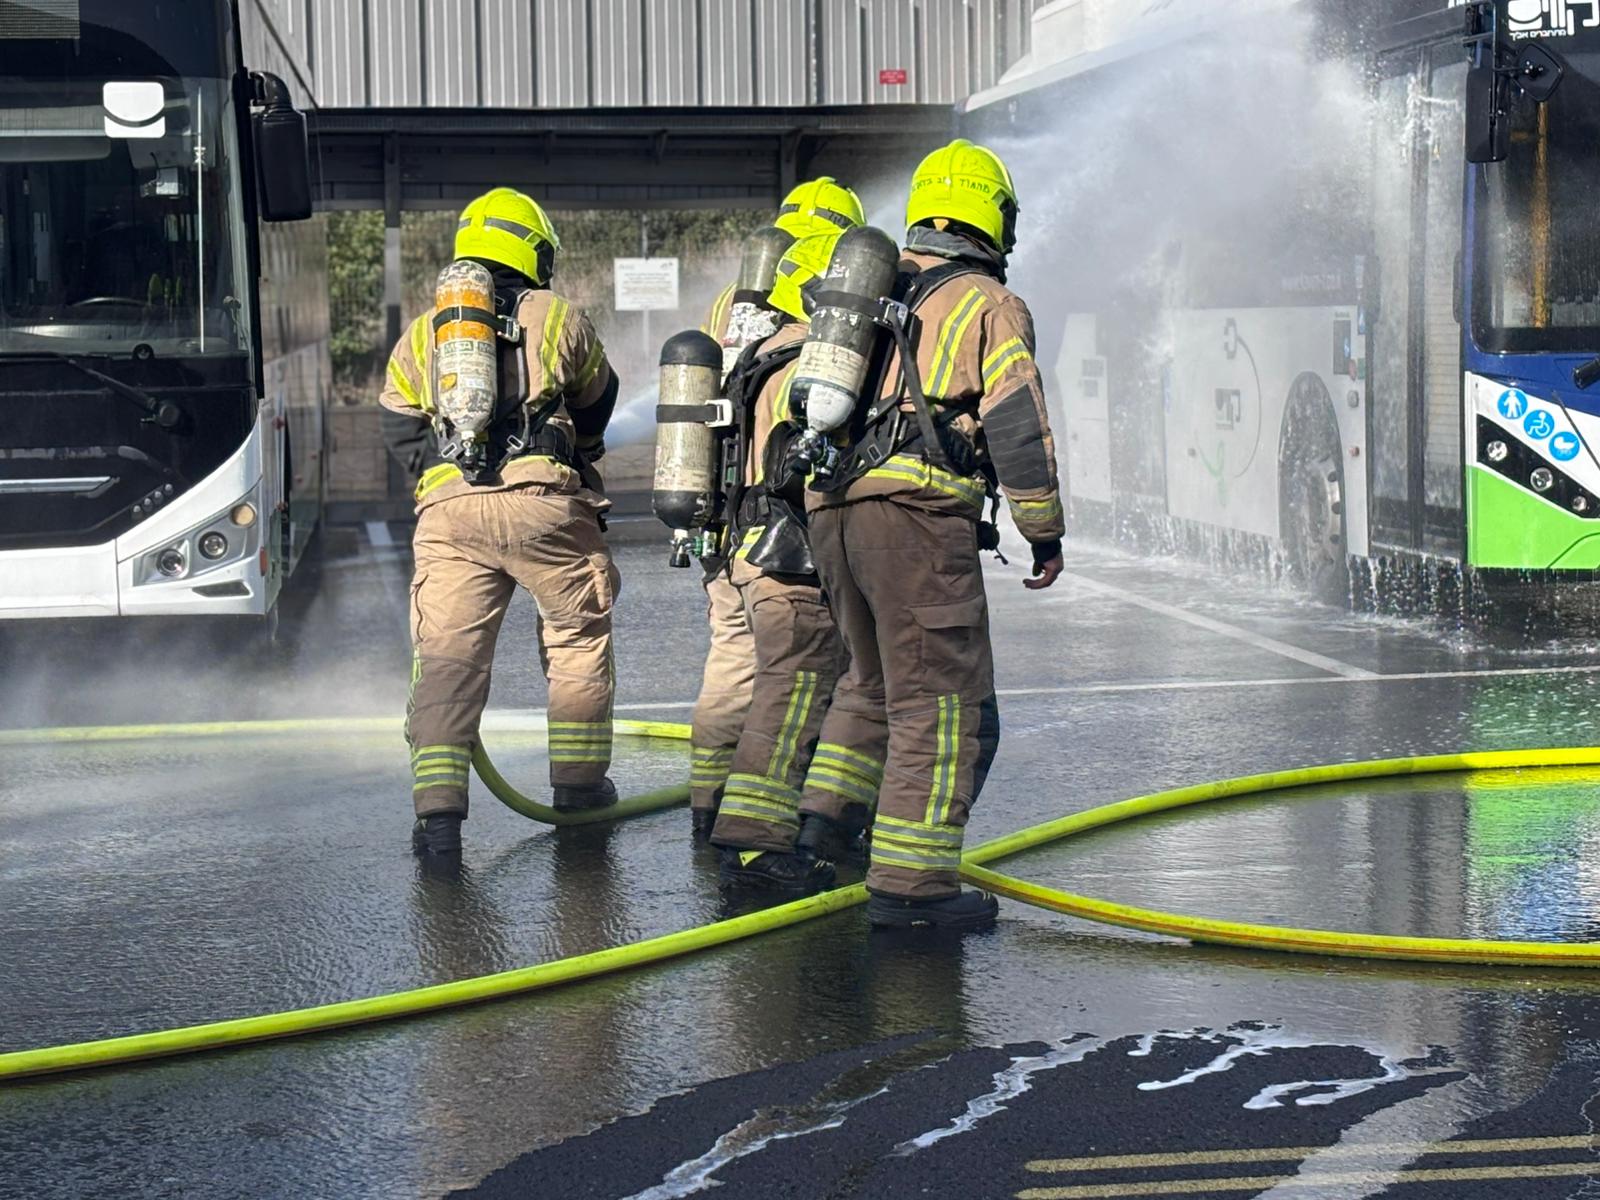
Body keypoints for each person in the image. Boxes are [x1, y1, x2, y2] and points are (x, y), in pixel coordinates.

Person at [793, 139, 1066, 930]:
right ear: (993, 216)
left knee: (870, 685)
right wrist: (1042, 532)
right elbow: (1016, 425)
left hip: (832, 511)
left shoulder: (877, 288)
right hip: (913, 518)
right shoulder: (988, 303)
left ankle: (825, 830)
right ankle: (913, 892)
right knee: (941, 707)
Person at [379, 187, 621, 857]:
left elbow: (395, 423)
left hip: (450, 516)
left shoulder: (425, 329)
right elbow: (600, 398)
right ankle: (578, 792)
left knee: (447, 660)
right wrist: (579, 452)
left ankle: (438, 820)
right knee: (575, 641)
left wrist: (446, 477)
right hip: (544, 503)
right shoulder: (557, 314)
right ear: (534, 252)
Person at [688, 177, 867, 840]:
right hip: (785, 527)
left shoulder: (732, 302)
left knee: (734, 656)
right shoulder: (827, 313)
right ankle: (767, 827)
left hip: (720, 519)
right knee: (806, 670)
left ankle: (708, 799)